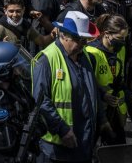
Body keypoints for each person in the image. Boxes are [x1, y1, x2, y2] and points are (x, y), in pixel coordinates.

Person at [32, 11, 109, 163]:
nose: (84, 44)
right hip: (58, 147)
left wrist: (102, 119)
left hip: (84, 141)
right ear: (64, 35)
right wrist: (62, 130)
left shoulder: (84, 56)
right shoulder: (46, 60)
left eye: (85, 40)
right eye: (80, 40)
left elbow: (92, 90)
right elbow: (40, 101)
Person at [84, 14, 129, 145]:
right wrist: (103, 95)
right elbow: (88, 84)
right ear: (107, 34)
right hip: (97, 110)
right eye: (120, 38)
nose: (123, 41)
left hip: (115, 111)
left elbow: (120, 80)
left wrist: (131, 98)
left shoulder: (120, 49)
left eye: (125, 38)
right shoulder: (92, 52)